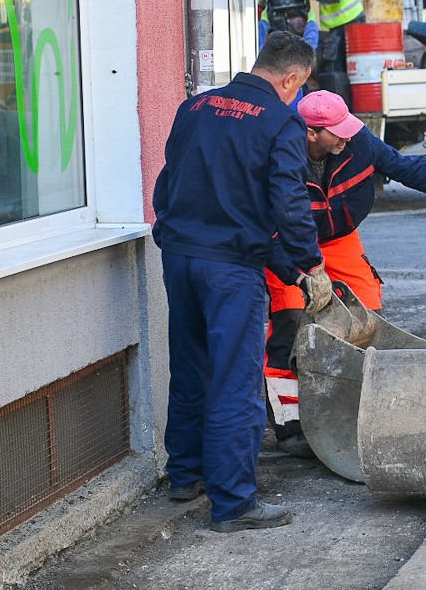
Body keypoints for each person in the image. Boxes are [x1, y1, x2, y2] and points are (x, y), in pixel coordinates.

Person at [262, 89, 426, 458]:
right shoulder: (281, 155)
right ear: (311, 133)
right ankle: (291, 428)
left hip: (340, 241)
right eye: (336, 132)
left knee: (367, 320)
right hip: (293, 243)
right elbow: (266, 223)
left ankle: (357, 407)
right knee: (289, 327)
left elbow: (413, 170)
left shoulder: (358, 144)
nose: (346, 136)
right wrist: (300, 272)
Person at [152, 31, 335, 533]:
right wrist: (310, 265)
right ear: (292, 78)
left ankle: (185, 476)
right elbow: (290, 206)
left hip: (181, 257)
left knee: (190, 368)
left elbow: (166, 184)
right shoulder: (281, 121)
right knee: (236, 382)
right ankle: (233, 503)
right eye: (299, 87)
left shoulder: (194, 108)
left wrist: (170, 232)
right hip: (231, 271)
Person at [299, 0, 364, 102]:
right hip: (349, 20)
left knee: (334, 61)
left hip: (346, 22)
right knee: (340, 61)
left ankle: (339, 103)